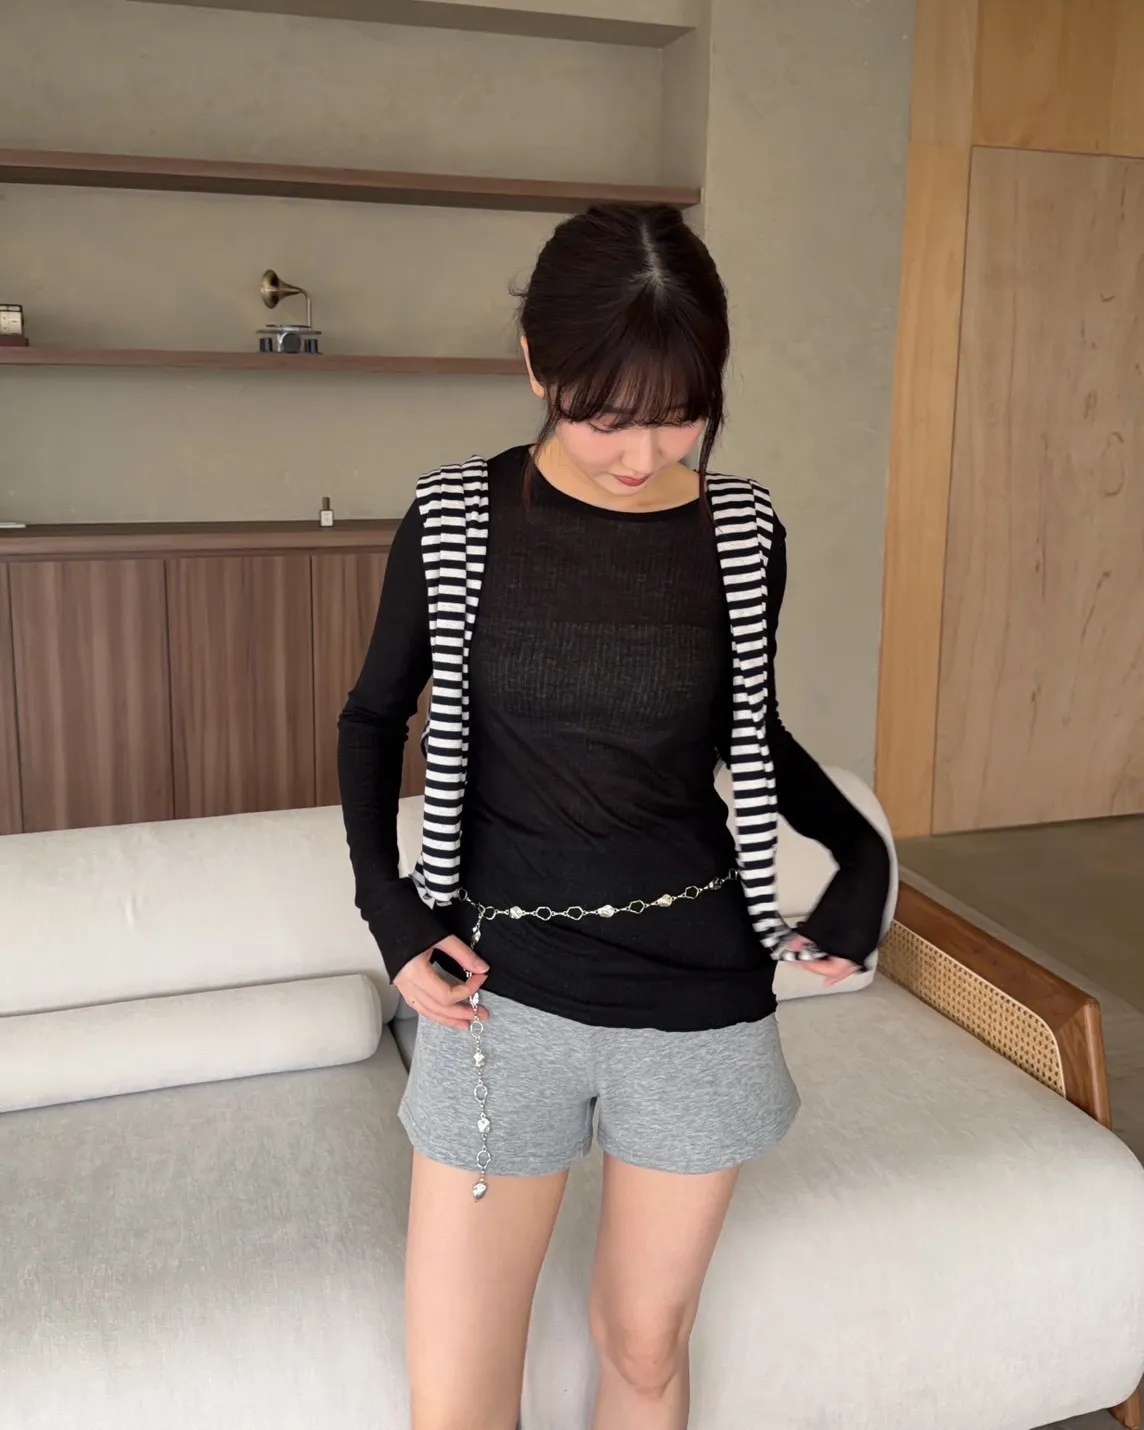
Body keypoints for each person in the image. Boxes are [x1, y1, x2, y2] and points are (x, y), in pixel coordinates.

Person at [338, 203, 891, 1430]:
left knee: (642, 1348)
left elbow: (744, 733)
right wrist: (393, 916)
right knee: (457, 1397)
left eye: (679, 414)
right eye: (605, 417)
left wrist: (860, 850)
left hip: (695, 991)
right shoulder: (458, 517)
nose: (643, 453)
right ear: (538, 365)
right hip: (497, 990)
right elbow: (373, 716)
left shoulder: (739, 532)